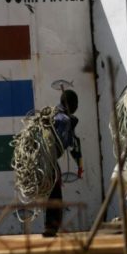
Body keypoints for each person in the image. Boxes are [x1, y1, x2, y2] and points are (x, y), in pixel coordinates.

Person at [44, 90, 84, 237]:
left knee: (53, 193)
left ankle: (51, 226)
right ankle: (50, 227)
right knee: (55, 195)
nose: (77, 106)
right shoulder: (65, 120)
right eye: (76, 104)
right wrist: (80, 165)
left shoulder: (50, 114)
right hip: (49, 161)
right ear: (71, 104)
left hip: (45, 160)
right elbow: (68, 144)